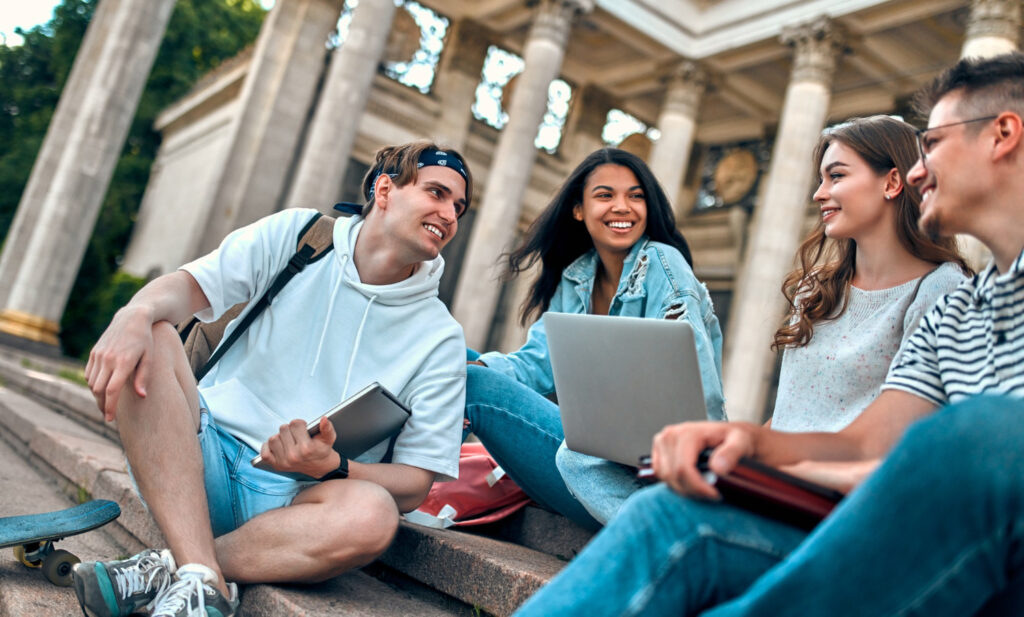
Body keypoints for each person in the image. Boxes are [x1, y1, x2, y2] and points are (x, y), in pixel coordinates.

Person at [513, 52, 1024, 617]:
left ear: (1003, 134)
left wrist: (788, 471)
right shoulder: (958, 316)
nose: (921, 171)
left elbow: (950, 462)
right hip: (842, 508)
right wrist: (749, 447)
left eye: (935, 145)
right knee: (648, 501)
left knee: (987, 431)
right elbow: (865, 442)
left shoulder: (940, 291)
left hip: (932, 543)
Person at [73, 142, 472, 617]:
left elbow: (413, 484)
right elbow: (187, 289)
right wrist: (132, 314)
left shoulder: (441, 338)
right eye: (437, 193)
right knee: (154, 336)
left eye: (458, 207)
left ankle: (185, 569)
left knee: (375, 514)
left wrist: (332, 466)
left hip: (299, 507)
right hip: (199, 463)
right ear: (384, 190)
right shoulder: (300, 236)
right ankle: (198, 572)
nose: (449, 214)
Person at [465, 148, 725, 530]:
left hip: (654, 470)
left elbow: (699, 394)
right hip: (591, 456)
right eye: (605, 195)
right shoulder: (577, 276)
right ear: (578, 209)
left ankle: (672, 532)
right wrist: (480, 364)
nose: (623, 207)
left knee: (474, 383)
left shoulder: (663, 265)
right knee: (466, 363)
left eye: (636, 196)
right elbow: (540, 362)